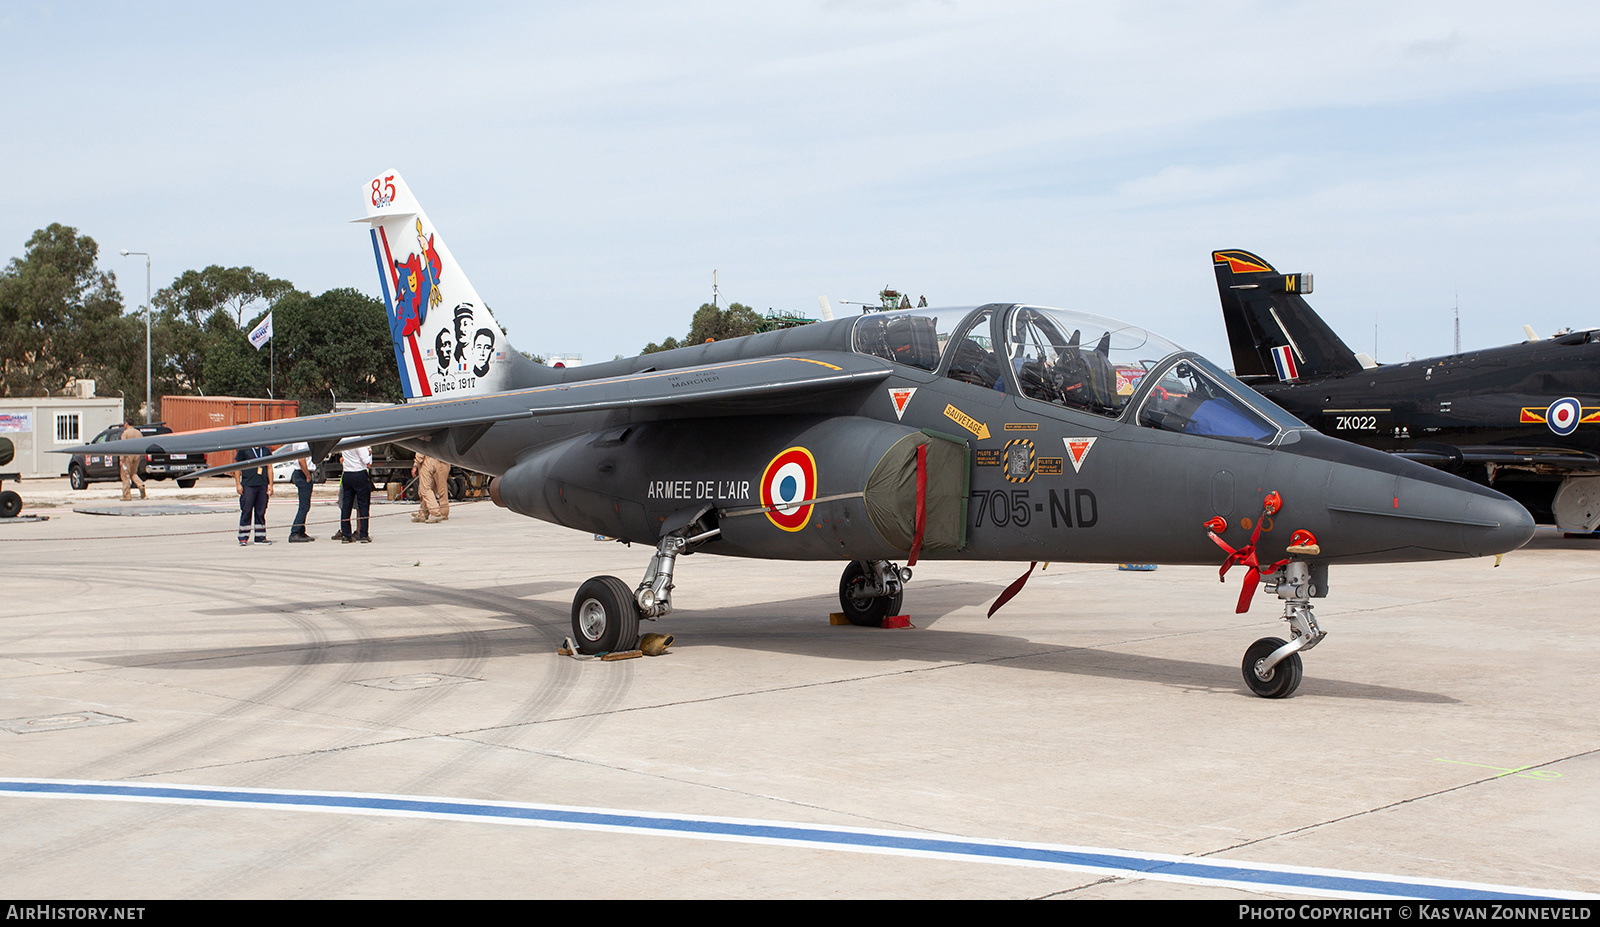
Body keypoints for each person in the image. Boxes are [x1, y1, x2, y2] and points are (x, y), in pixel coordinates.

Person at [234, 444, 273, 546]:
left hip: (262, 485)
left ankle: (260, 537)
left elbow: (269, 467)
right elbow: (236, 467)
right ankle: (243, 537)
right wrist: (238, 484)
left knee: (261, 511)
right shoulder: (243, 449)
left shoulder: (265, 450)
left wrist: (271, 484)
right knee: (246, 511)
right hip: (248, 485)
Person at [338, 445, 373, 543]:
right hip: (359, 473)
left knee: (346, 505)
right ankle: (363, 534)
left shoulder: (344, 440)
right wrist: (369, 453)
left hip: (347, 473)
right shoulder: (359, 442)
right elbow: (366, 462)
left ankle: (345, 534)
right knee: (363, 505)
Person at [283, 442, 316, 542]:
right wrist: (307, 475)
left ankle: (301, 530)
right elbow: (301, 460)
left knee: (304, 505)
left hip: (300, 473)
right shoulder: (303, 443)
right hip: (302, 473)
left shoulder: (299, 441)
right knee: (304, 506)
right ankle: (295, 532)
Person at [411, 452, 449, 523]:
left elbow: (421, 448)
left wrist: (416, 464)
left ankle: (434, 513)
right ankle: (443, 513)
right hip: (444, 460)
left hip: (429, 459)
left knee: (425, 488)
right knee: (442, 489)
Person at [119, 419, 146, 501]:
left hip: (127, 456)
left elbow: (123, 446)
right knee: (133, 473)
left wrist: (121, 458)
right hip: (137, 455)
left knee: (125, 475)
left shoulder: (125, 433)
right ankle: (141, 485)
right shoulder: (139, 433)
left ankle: (127, 496)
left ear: (126, 424)